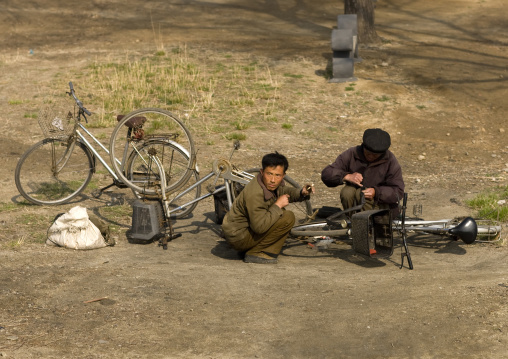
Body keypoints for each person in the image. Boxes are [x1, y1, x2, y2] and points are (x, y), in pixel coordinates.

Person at [221, 152, 314, 264]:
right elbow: (259, 227)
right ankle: (257, 252)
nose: (273, 180)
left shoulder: (265, 182)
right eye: (269, 174)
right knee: (287, 217)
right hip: (237, 237)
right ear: (262, 172)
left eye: (277, 175)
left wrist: (301, 192)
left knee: (281, 213)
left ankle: (250, 248)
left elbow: (284, 191)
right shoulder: (255, 193)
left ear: (283, 176)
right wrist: (277, 205)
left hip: (241, 232)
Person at [321, 128, 404, 217]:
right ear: (363, 146)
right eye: (368, 153)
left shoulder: (390, 160)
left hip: (381, 210)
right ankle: (354, 222)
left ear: (382, 153)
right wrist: (346, 176)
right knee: (347, 192)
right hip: (355, 207)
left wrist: (376, 192)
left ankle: (368, 225)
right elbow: (327, 173)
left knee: (362, 195)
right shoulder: (352, 153)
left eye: (375, 155)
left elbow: (398, 191)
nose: (371, 157)